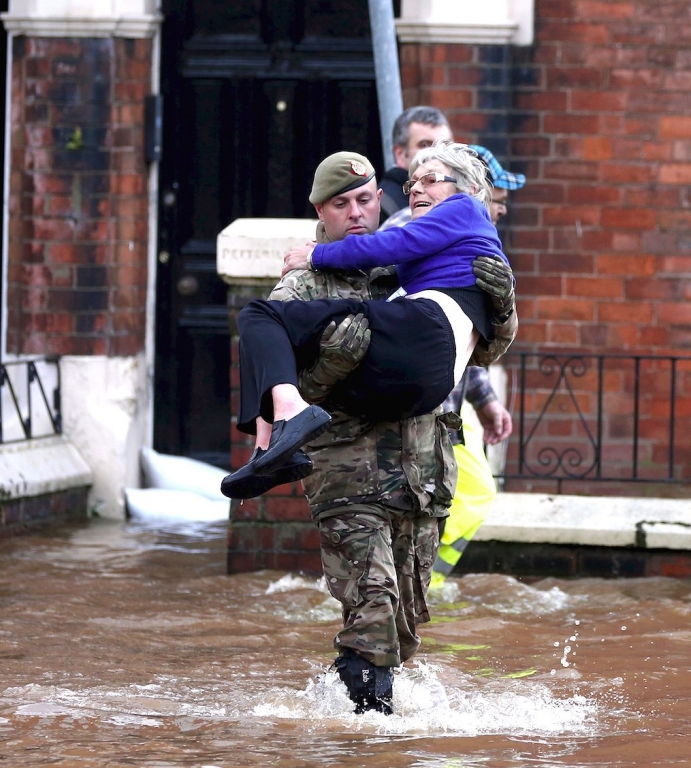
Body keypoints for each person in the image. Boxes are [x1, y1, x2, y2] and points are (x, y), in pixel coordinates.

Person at [224, 149, 517, 714]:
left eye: (366, 200)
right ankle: (364, 737)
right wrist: (335, 360)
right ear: (321, 211)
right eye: (342, 204)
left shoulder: (410, 265)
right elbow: (282, 372)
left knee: (404, 623)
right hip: (347, 472)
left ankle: (368, 722)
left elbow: (477, 349)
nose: (358, 213)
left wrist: (501, 305)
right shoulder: (304, 284)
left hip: (422, 474)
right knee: (374, 607)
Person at [224, 141, 509, 495]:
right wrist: (334, 360)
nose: (417, 187)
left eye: (430, 179)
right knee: (269, 326)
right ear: (320, 210)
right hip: (367, 462)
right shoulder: (443, 246)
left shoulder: (461, 209)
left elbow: (392, 244)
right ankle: (270, 447)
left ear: (470, 188)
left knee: (259, 315)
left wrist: (317, 255)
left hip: (418, 462)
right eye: (412, 183)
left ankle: (273, 437)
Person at [429, 145, 525, 584]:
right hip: (423, 405)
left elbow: (473, 336)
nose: (502, 210)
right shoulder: (424, 232)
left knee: (473, 495)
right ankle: (417, 584)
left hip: (450, 404)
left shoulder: (476, 238)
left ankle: (426, 584)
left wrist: (485, 401)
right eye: (498, 198)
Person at [377, 106, 453, 223]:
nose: (437, 153)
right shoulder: (382, 205)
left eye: (444, 146)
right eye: (425, 145)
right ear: (400, 153)